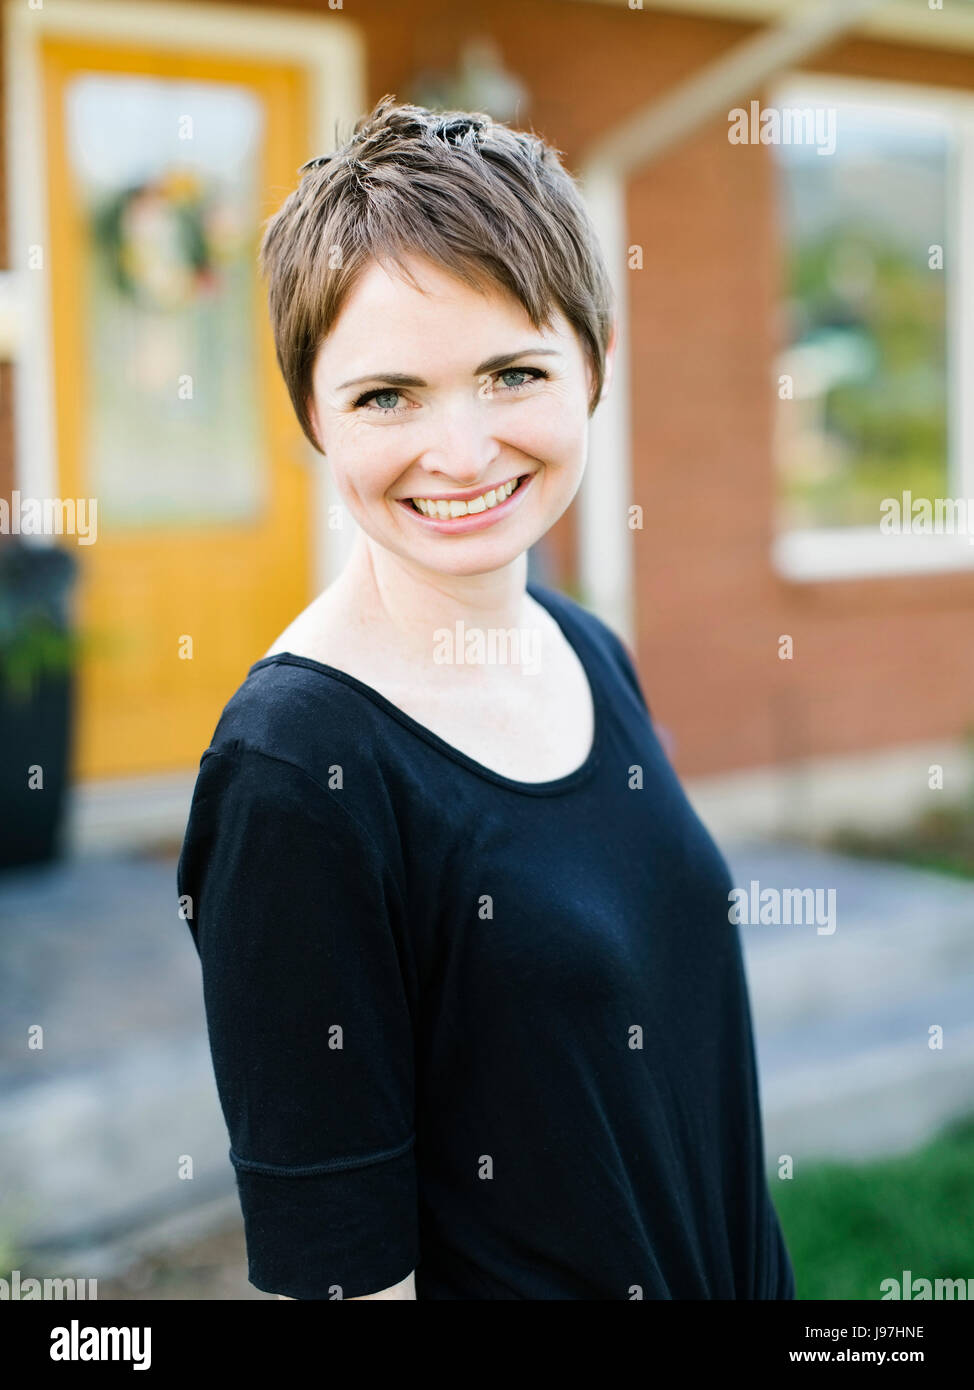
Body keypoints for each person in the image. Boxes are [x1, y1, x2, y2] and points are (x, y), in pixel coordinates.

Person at [176, 94, 796, 1302]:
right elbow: (344, 1282)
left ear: (593, 370)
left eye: (510, 372)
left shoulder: (586, 649)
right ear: (313, 414)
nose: (459, 455)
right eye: (386, 396)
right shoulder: (296, 772)